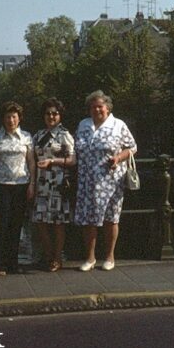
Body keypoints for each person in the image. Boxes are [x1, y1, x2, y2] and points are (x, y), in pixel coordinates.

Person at [73, 90, 137, 272]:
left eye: (100, 106)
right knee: (88, 220)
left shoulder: (118, 125)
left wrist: (118, 157)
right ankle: (90, 257)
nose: (96, 110)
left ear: (107, 108)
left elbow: (132, 147)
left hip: (110, 180)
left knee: (110, 219)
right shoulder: (84, 125)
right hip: (87, 180)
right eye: (93, 107)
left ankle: (109, 256)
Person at [0, 101, 36, 275]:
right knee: (1, 225)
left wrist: (32, 184)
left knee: (16, 226)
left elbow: (31, 162)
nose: (11, 120)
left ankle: (12, 263)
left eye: (14, 117)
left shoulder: (27, 138)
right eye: (7, 117)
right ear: (3, 119)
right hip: (1, 185)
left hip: (21, 184)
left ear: (19, 118)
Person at [31, 98, 76, 272]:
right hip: (41, 184)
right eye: (48, 113)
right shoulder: (38, 135)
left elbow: (72, 160)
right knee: (40, 221)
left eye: (55, 113)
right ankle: (48, 255)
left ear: (60, 115)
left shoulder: (65, 135)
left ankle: (57, 258)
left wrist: (52, 161)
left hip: (58, 184)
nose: (51, 116)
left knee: (58, 223)